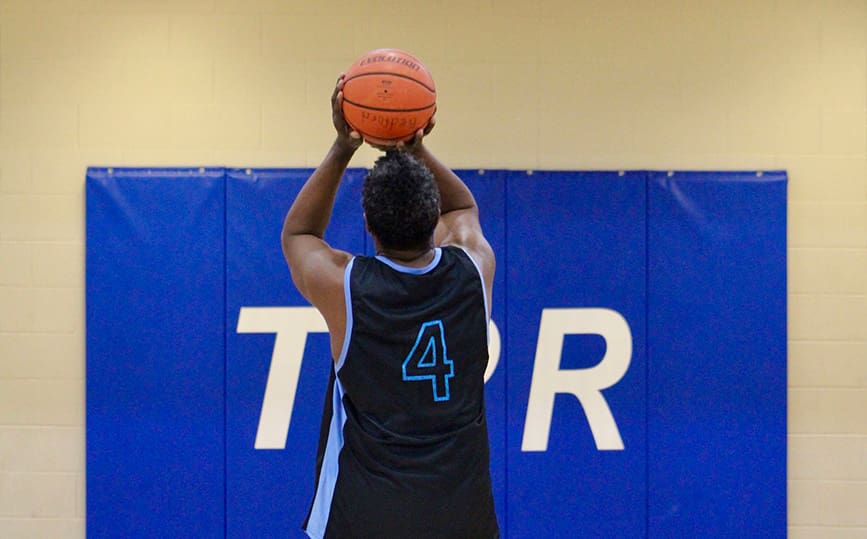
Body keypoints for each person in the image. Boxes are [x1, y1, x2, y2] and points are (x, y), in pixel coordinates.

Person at [281, 74, 499, 539]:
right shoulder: (474, 271)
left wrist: (344, 145)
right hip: (462, 519)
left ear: (367, 223)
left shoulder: (347, 288)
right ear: (432, 217)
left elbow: (298, 235)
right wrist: (413, 143)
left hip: (364, 516)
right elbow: (462, 209)